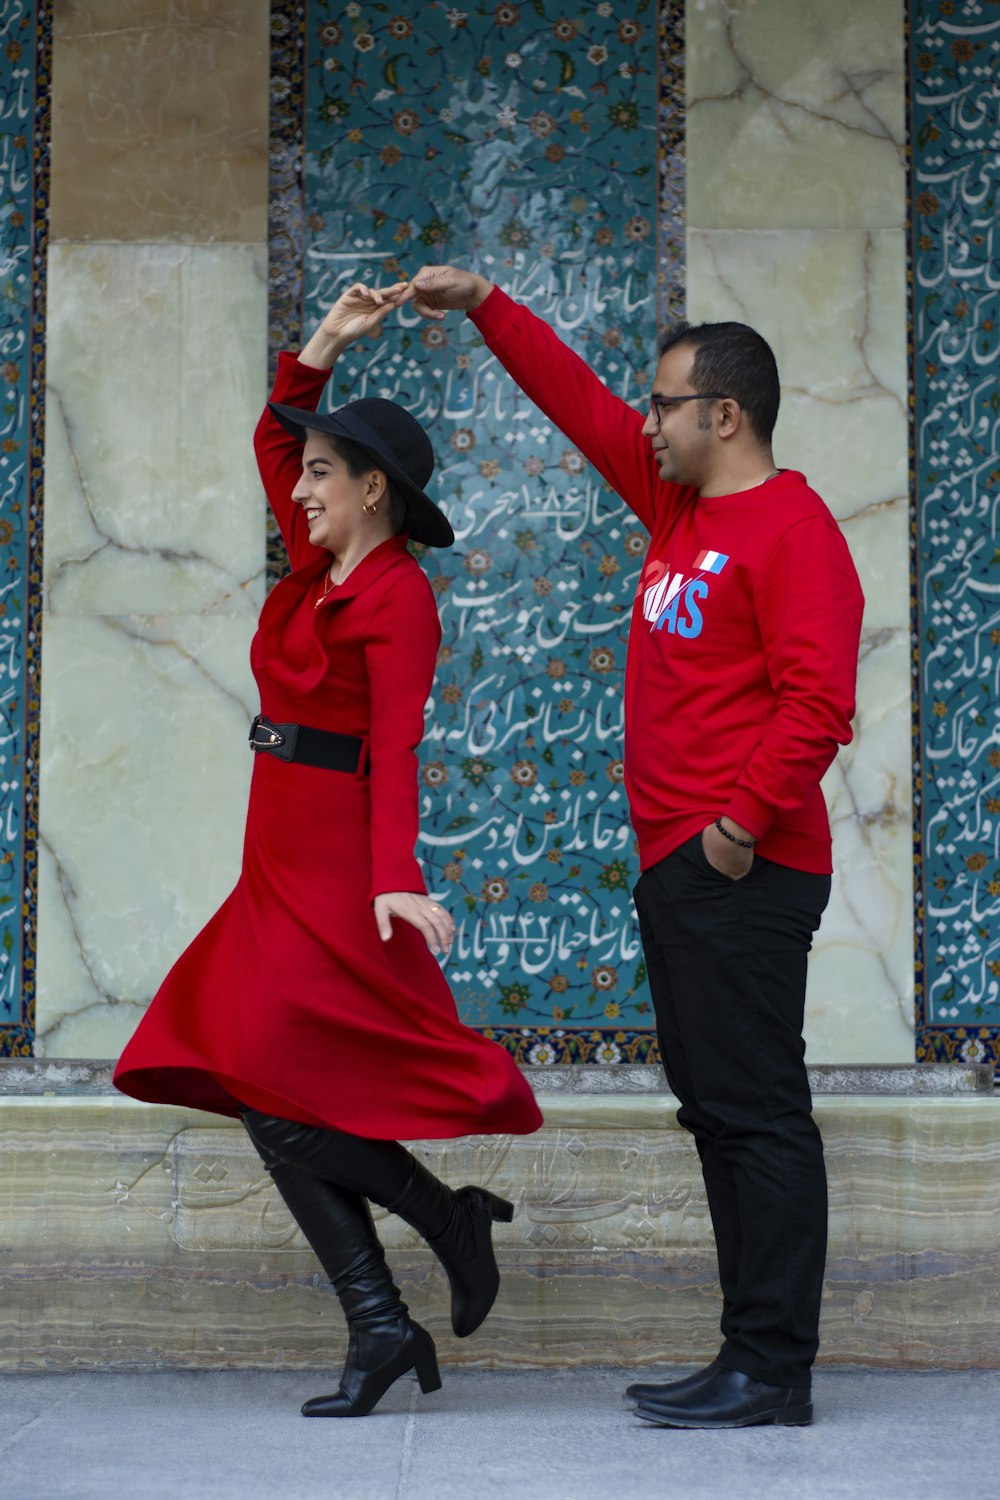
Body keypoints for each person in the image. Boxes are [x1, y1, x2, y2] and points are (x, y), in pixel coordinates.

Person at [402, 266, 864, 1430]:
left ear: (726, 414)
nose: (644, 421)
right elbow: (575, 404)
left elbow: (816, 707)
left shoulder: (793, 530)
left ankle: (773, 1368)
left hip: (745, 874)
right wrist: (486, 305)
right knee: (717, 1112)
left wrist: (730, 833)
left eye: (664, 404)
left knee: (756, 1113)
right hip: (686, 869)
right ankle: (748, 1357)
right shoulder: (679, 513)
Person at [114, 281, 543, 1418]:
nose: (297, 487)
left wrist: (396, 879)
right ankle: (388, 1309)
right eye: (301, 471)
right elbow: (272, 429)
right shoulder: (316, 567)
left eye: (319, 472)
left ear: (373, 491)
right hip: (273, 857)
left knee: (275, 1084)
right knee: (262, 1082)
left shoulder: (399, 599)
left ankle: (421, 1258)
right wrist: (322, 347)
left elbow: (397, 746)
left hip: (340, 871)